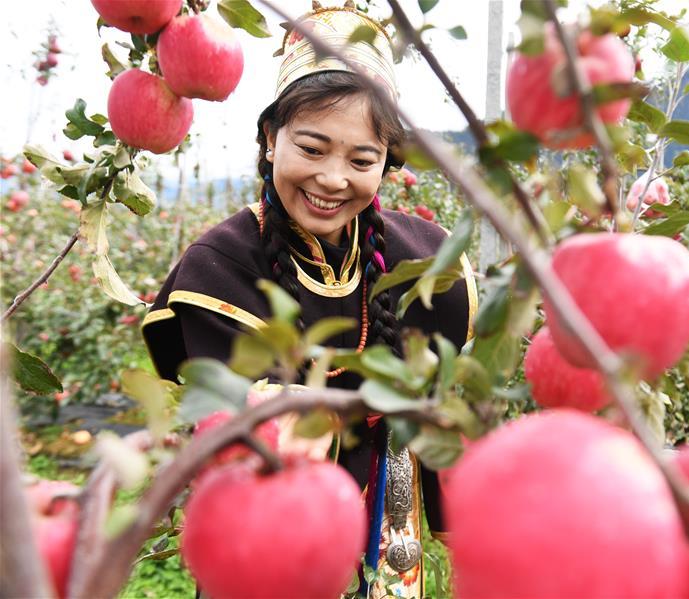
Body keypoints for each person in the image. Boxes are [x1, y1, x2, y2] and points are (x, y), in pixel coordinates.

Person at [140, 4, 477, 597]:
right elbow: (231, 435)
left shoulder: (426, 262)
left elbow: (447, 413)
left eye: (361, 160)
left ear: (387, 163)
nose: (332, 178)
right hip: (268, 541)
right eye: (312, 148)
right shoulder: (220, 267)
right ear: (271, 140)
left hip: (384, 540)